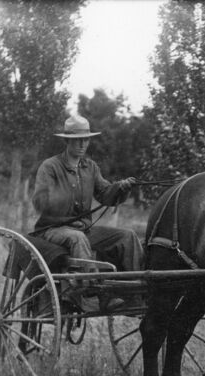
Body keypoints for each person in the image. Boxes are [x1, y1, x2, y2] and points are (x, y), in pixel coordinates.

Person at [32, 114, 143, 311]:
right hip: (53, 230)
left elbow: (105, 194)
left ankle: (134, 293)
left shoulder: (90, 167)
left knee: (127, 236)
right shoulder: (50, 167)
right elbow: (39, 202)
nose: (83, 144)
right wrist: (62, 197)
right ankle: (90, 295)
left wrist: (120, 188)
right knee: (77, 238)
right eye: (77, 140)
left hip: (84, 229)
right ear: (67, 140)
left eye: (86, 139)